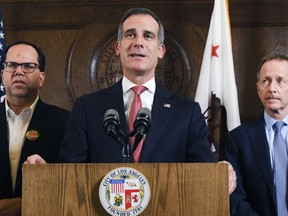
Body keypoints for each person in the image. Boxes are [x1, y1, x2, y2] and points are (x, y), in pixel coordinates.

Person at [28, 7, 236, 194]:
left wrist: (220, 173)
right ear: (118, 48)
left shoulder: (187, 112)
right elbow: (70, 173)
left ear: (160, 50)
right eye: (130, 34)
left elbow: (203, 175)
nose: (138, 42)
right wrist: (46, 175)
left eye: (148, 36)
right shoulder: (87, 107)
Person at [0, 41, 70, 216]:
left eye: (28, 66)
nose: (18, 71)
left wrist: (26, 203)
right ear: (2, 75)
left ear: (42, 78)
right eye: (12, 65)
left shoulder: (65, 122)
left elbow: (70, 185)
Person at [224, 48, 288, 215]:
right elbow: (236, 200)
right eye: (265, 81)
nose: (272, 88)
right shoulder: (238, 139)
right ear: (258, 88)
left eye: (280, 81)